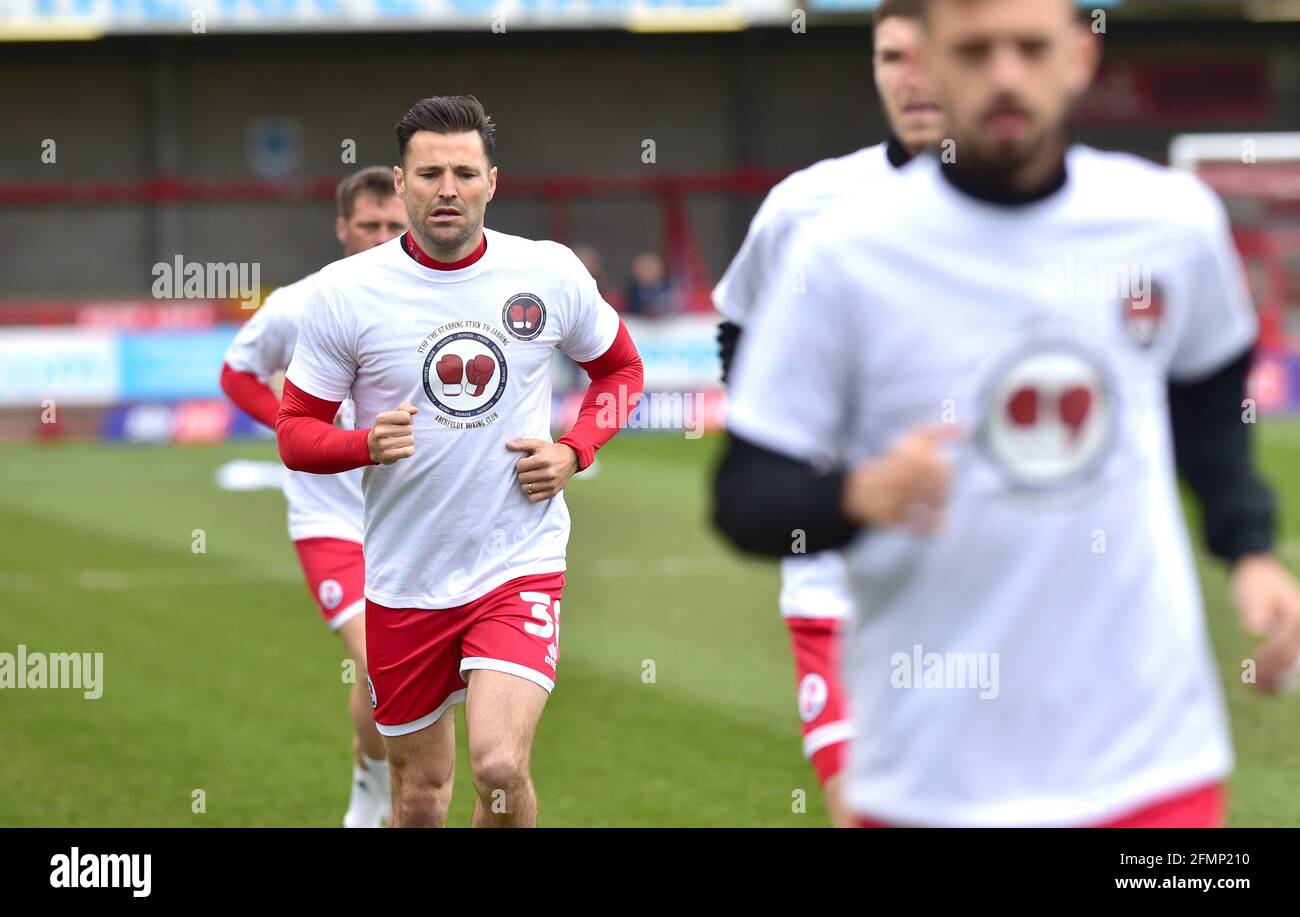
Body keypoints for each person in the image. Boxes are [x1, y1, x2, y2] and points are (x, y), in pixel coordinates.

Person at [714, 0, 1300, 827]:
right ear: (928, 61)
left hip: (1151, 760)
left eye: (1030, 47)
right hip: (931, 772)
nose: (1006, 76)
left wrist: (1249, 548)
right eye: (976, 51)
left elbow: (1207, 407)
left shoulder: (1170, 222)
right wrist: (850, 494)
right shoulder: (841, 248)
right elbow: (744, 493)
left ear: (1080, 58)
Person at [276, 95, 644, 828]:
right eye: (431, 172)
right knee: (419, 795)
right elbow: (295, 430)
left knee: (500, 769)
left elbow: (622, 373)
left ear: (492, 182)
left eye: (464, 173)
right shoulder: (344, 294)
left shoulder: (547, 272)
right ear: (402, 182)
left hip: (517, 559)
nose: (448, 188)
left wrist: (575, 449)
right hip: (405, 575)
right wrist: (364, 442)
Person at [711, 0, 943, 827]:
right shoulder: (808, 204)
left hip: (993, 585)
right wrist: (790, 448)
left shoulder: (1068, 216)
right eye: (891, 58)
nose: (912, 78)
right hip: (838, 579)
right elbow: (738, 318)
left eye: (931, 53)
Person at [220, 166, 407, 828]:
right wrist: (289, 428)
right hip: (329, 521)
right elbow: (236, 371)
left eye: (394, 224)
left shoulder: (434, 302)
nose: (383, 236)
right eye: (369, 226)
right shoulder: (301, 304)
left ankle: (369, 781)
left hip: (411, 524)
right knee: (383, 663)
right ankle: (378, 802)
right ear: (341, 228)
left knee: (392, 672)